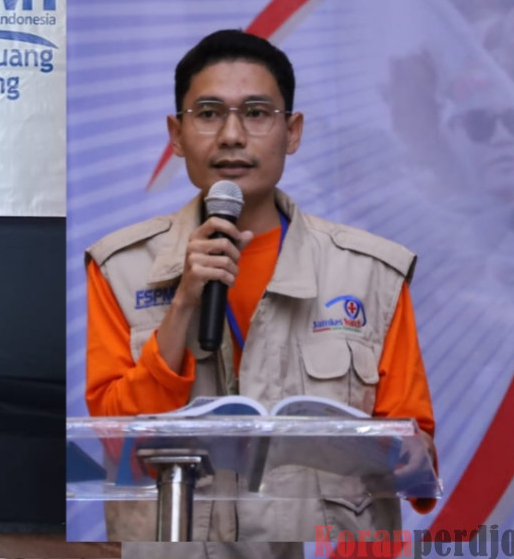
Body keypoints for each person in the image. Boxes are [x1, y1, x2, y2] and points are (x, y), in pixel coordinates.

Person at [85, 30, 437, 551]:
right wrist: (183, 303)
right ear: (176, 135)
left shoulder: (369, 271)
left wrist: (412, 454)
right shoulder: (122, 266)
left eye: (255, 113)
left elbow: (413, 444)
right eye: (208, 113)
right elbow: (117, 440)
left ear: (292, 132)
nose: (231, 135)